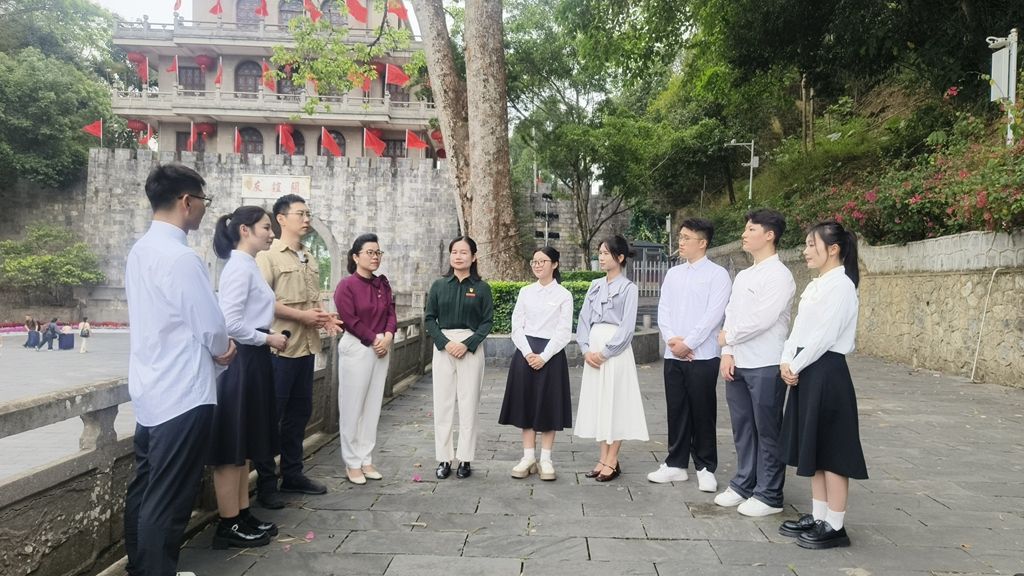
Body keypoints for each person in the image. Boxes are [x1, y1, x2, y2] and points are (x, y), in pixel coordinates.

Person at [123, 163, 237, 576]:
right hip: (183, 392)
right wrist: (224, 349)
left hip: (150, 387)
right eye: (204, 200)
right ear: (186, 201)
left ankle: (142, 568)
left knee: (146, 487)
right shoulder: (182, 258)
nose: (205, 208)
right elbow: (211, 325)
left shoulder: (141, 250)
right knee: (169, 498)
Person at [777, 220, 867, 549]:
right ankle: (819, 517)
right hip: (807, 369)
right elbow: (800, 328)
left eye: (811, 245)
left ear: (834, 249)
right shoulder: (818, 284)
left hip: (827, 371)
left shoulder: (841, 286)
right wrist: (786, 360)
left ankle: (836, 525)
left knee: (831, 451)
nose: (805, 251)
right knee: (812, 447)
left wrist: (795, 364)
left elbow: (825, 336)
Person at [253, 194, 343, 508]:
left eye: (308, 214)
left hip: (306, 347)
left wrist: (324, 317)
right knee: (270, 418)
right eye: (300, 214)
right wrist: (302, 316)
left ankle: (292, 473)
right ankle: (266, 484)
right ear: (281, 219)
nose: (306, 220)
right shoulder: (267, 256)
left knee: (299, 415)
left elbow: (312, 299)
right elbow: (262, 302)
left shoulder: (309, 257)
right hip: (279, 350)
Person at [209, 206, 289, 549]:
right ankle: (228, 523)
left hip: (253, 359)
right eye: (266, 227)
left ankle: (242, 514)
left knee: (243, 446)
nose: (271, 234)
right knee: (232, 445)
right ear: (245, 230)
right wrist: (267, 339)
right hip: (242, 360)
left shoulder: (248, 265)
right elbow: (230, 323)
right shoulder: (238, 268)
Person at [714, 209, 797, 517]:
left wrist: (729, 336)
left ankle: (770, 494)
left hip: (766, 363)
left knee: (767, 430)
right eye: (745, 229)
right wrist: (727, 351)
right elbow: (732, 312)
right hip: (739, 362)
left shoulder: (780, 275)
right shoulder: (744, 275)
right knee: (743, 428)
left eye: (751, 229)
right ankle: (743, 483)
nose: (744, 234)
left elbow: (764, 318)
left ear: (769, 235)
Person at [648, 220, 731, 491]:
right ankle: (676, 464)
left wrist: (689, 343)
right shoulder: (673, 274)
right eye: (680, 237)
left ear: (702, 242)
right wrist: (672, 340)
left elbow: (713, 315)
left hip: (703, 355)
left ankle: (705, 466)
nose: (680, 242)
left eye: (686, 238)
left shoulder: (717, 275)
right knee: (677, 409)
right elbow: (663, 309)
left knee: (703, 410)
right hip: (674, 354)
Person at [574, 235, 649, 482]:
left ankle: (613, 459)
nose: (602, 257)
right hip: (593, 348)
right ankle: (602, 457)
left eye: (606, 253)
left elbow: (627, 328)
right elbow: (584, 319)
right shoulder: (595, 285)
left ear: (620, 257)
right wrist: (586, 349)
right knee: (599, 402)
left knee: (615, 402)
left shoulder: (629, 288)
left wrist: (605, 352)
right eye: (600, 253)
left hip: (614, 353)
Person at [498, 246, 573, 481]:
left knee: (549, 405)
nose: (537, 265)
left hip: (552, 355)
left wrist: (544, 356)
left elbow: (564, 331)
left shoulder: (564, 295)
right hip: (525, 353)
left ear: (555, 264)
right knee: (526, 403)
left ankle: (546, 459)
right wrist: (529, 353)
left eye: (543, 261)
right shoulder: (526, 292)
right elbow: (516, 326)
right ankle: (528, 456)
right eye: (534, 261)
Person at [424, 236, 493, 480]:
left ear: (473, 257)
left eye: (464, 252)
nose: (458, 256)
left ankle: (465, 458)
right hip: (444, 346)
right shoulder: (439, 286)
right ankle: (444, 458)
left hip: (470, 347)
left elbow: (487, 322)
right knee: (442, 403)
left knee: (468, 403)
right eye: (454, 251)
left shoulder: (482, 288)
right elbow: (429, 318)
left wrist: (468, 344)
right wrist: (444, 343)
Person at [333, 233, 397, 485]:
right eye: (369, 252)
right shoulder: (347, 285)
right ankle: (352, 462)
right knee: (352, 406)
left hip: (381, 346)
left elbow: (391, 312)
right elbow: (349, 319)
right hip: (358, 346)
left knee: (372, 406)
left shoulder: (382, 284)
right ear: (355, 256)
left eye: (378, 252)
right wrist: (373, 339)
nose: (375, 257)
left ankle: (366, 458)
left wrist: (388, 336)